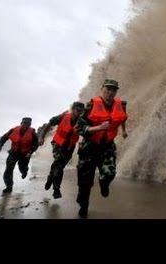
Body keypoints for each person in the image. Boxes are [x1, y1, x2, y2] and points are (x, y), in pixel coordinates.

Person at [75, 79, 128, 218]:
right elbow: (79, 127)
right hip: (89, 147)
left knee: (110, 173)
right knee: (85, 183)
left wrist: (123, 131)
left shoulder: (120, 104)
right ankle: (83, 205)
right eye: (108, 89)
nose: (110, 92)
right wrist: (97, 128)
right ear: (102, 88)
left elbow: (122, 118)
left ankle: (104, 184)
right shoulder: (91, 105)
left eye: (113, 90)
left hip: (107, 146)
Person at [38, 101, 85, 199]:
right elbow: (48, 125)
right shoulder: (62, 117)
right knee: (59, 164)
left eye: (81, 111)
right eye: (77, 110)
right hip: (58, 144)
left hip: (70, 147)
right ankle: (56, 190)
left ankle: (50, 177)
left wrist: (83, 143)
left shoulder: (82, 121)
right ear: (72, 109)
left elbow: (86, 132)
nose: (79, 113)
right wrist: (41, 137)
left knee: (59, 166)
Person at [0, 117, 39, 194]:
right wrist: (0, 146)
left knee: (22, 167)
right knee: (8, 169)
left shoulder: (32, 133)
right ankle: (9, 187)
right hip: (14, 152)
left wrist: (31, 151)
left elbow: (36, 144)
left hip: (25, 154)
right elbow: (4, 137)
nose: (25, 126)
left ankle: (24, 171)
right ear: (21, 123)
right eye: (24, 123)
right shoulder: (13, 130)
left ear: (30, 125)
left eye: (28, 124)